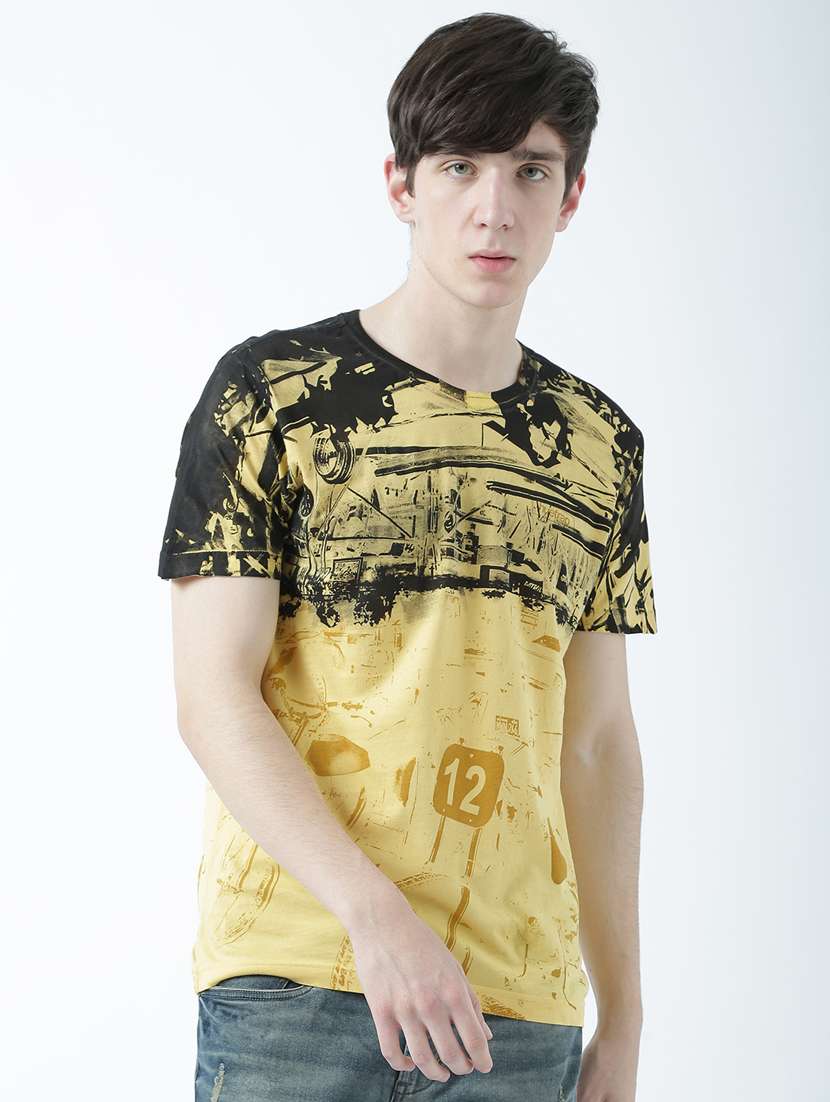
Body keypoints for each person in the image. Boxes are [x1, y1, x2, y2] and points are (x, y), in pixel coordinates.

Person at [158, 12, 657, 1101]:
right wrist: (375, 918)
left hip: (516, 1005)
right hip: (299, 978)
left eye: (529, 169)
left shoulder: (599, 445)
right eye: (459, 165)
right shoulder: (272, 395)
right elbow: (212, 698)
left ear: (570, 197)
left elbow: (598, 742)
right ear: (401, 185)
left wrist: (621, 1018)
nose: (494, 207)